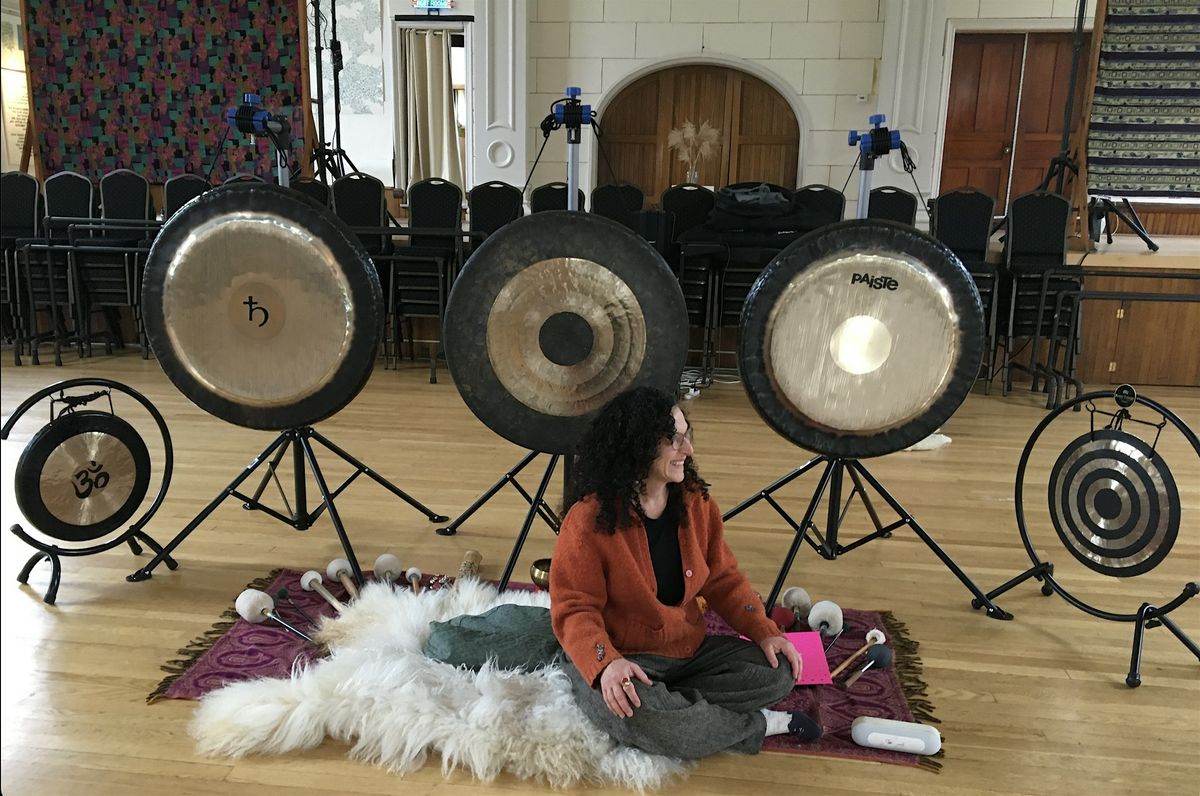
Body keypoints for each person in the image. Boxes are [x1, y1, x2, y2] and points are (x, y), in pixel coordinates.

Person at [550, 386, 821, 760]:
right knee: (637, 711)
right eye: (674, 440)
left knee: (779, 671)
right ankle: (756, 725)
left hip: (687, 651)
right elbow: (574, 609)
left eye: (687, 435)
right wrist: (606, 664)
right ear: (639, 446)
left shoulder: (695, 501)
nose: (688, 449)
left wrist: (763, 630)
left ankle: (677, 712)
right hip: (622, 655)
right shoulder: (588, 520)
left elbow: (723, 578)